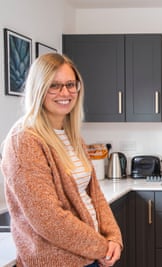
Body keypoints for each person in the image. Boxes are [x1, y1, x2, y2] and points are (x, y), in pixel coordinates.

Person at [1, 53, 122, 267]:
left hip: (90, 256)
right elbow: (49, 219)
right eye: (54, 86)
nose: (65, 92)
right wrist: (101, 247)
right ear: (38, 89)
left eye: (70, 84)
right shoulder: (24, 140)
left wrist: (113, 238)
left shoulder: (71, 135)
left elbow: (94, 195)